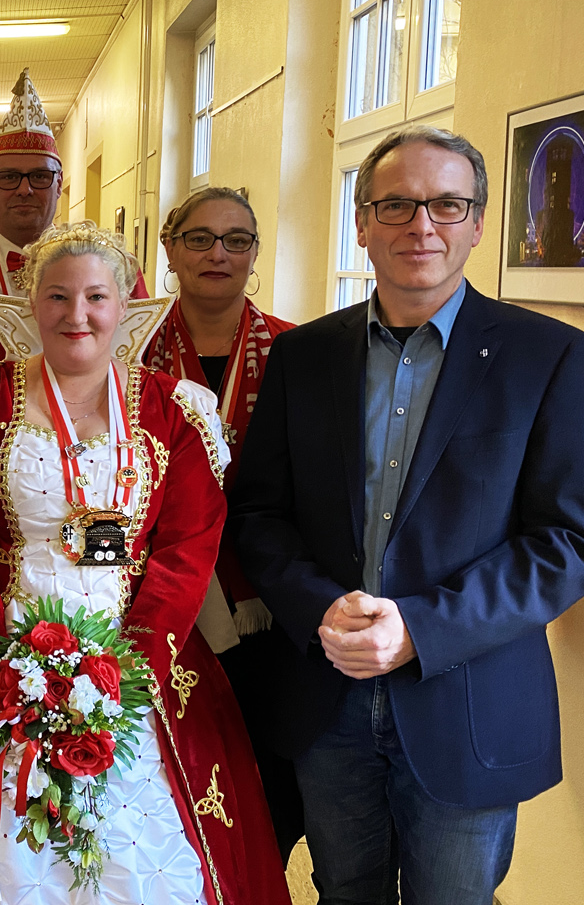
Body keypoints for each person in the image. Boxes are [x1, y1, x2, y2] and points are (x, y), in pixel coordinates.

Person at [0, 223, 291, 905]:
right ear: (31, 304)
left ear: (124, 305)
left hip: (136, 648)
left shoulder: (172, 410)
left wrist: (134, 663)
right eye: (58, 297)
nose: (77, 314)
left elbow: (189, 545)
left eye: (96, 296)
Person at [229, 124, 584, 904]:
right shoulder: (304, 356)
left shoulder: (549, 357)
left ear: (479, 223)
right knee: (344, 892)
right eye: (396, 205)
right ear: (362, 223)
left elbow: (565, 542)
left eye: (447, 204)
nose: (421, 226)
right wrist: (322, 608)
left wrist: (422, 628)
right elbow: (258, 513)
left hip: (468, 702)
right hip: (328, 699)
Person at [143, 186, 303, 862]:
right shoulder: (129, 348)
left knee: (275, 777)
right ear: (170, 248)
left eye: (237, 240)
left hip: (267, 595)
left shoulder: (300, 351)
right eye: (200, 238)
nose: (218, 253)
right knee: (171, 772)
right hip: (160, 594)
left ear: (255, 253)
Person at [0, 69, 149, 363]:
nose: (24, 189)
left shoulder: (117, 270)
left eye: (39, 176)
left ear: (59, 184)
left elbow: (139, 365)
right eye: (9, 177)